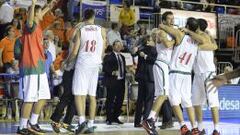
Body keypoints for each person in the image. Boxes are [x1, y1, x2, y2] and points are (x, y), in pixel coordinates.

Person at [158, 18, 208, 135]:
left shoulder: (180, 35)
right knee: (187, 102)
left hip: (176, 72)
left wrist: (163, 25)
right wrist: (190, 31)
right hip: (187, 74)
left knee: (174, 101)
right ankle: (195, 128)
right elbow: (203, 39)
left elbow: (165, 27)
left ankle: (183, 126)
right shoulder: (197, 41)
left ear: (186, 25)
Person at [15, 0, 57, 134]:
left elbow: (39, 15)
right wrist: (33, 5)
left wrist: (47, 7)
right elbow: (31, 19)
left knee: (44, 95)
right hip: (31, 67)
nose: (42, 15)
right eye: (40, 13)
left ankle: (33, 122)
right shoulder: (30, 26)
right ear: (34, 14)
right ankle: (22, 126)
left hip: (40, 68)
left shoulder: (38, 26)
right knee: (29, 99)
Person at [64, 8, 106, 134]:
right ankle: (91, 124)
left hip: (83, 63)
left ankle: (82, 122)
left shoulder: (80, 30)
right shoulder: (102, 30)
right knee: (92, 95)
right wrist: (99, 60)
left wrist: (67, 61)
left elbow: (75, 51)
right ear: (93, 17)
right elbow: (103, 50)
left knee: (79, 94)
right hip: (96, 64)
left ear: (83, 17)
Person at [141, 11, 175, 135]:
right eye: (169, 19)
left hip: (165, 65)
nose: (172, 21)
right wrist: (177, 39)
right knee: (163, 94)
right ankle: (149, 120)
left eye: (173, 18)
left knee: (161, 95)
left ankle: (151, 120)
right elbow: (167, 44)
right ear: (164, 21)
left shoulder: (170, 32)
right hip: (161, 63)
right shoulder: (161, 32)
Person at [186, 18, 220, 135]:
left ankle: (217, 129)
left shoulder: (204, 36)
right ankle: (200, 128)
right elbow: (214, 46)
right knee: (196, 102)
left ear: (198, 27)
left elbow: (211, 46)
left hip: (208, 73)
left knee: (213, 102)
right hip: (197, 74)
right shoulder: (198, 37)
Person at [133, 34, 157, 128]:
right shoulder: (153, 50)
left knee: (142, 100)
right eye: (151, 39)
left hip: (143, 77)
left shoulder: (142, 50)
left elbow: (134, 53)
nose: (151, 41)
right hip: (148, 77)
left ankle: (139, 122)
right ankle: (144, 121)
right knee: (147, 100)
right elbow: (154, 60)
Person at [103, 40, 126, 125]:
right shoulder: (108, 56)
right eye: (117, 45)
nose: (119, 47)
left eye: (120, 45)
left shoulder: (122, 57)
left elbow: (123, 68)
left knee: (120, 100)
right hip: (112, 81)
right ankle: (109, 118)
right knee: (110, 100)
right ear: (113, 46)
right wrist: (112, 72)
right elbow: (105, 67)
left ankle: (115, 117)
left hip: (121, 81)